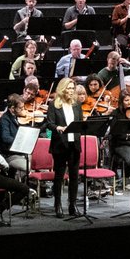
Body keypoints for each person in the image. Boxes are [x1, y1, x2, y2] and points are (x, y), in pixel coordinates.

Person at [45, 78, 82, 217]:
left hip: (74, 144)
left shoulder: (77, 104)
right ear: (62, 89)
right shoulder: (54, 104)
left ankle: (72, 205)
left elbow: (80, 121)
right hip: (60, 144)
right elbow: (49, 123)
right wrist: (58, 128)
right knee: (59, 176)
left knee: (74, 176)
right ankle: (58, 205)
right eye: (68, 88)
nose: (71, 91)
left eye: (72, 88)